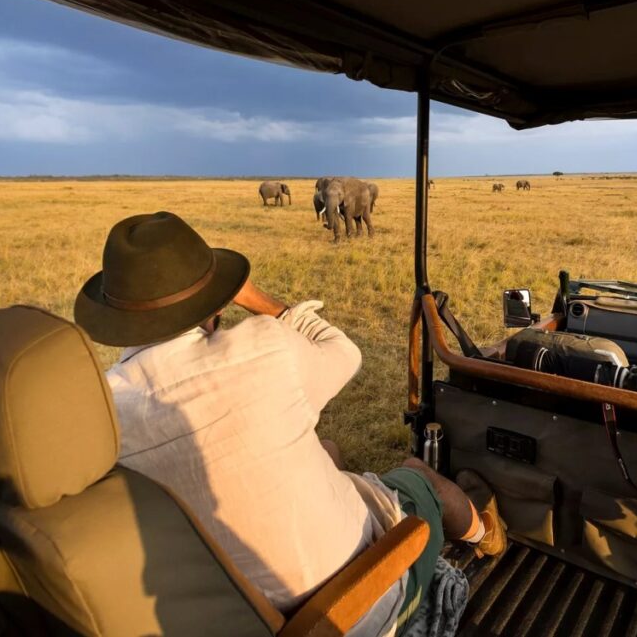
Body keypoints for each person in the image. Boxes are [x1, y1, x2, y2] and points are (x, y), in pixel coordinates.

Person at [74, 211, 505, 635]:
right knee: (415, 474)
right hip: (363, 604)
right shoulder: (262, 346)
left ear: (117, 319)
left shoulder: (104, 414)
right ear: (217, 301)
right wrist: (258, 300)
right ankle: (485, 533)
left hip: (249, 616)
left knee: (329, 450)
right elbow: (345, 352)